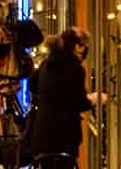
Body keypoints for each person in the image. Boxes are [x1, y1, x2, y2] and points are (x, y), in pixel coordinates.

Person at [28, 27, 102, 164]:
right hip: (65, 137)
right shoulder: (75, 69)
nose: (84, 50)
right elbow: (79, 103)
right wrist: (93, 99)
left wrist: (49, 96)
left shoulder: (46, 64)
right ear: (75, 46)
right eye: (82, 46)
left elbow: (32, 85)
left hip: (42, 135)